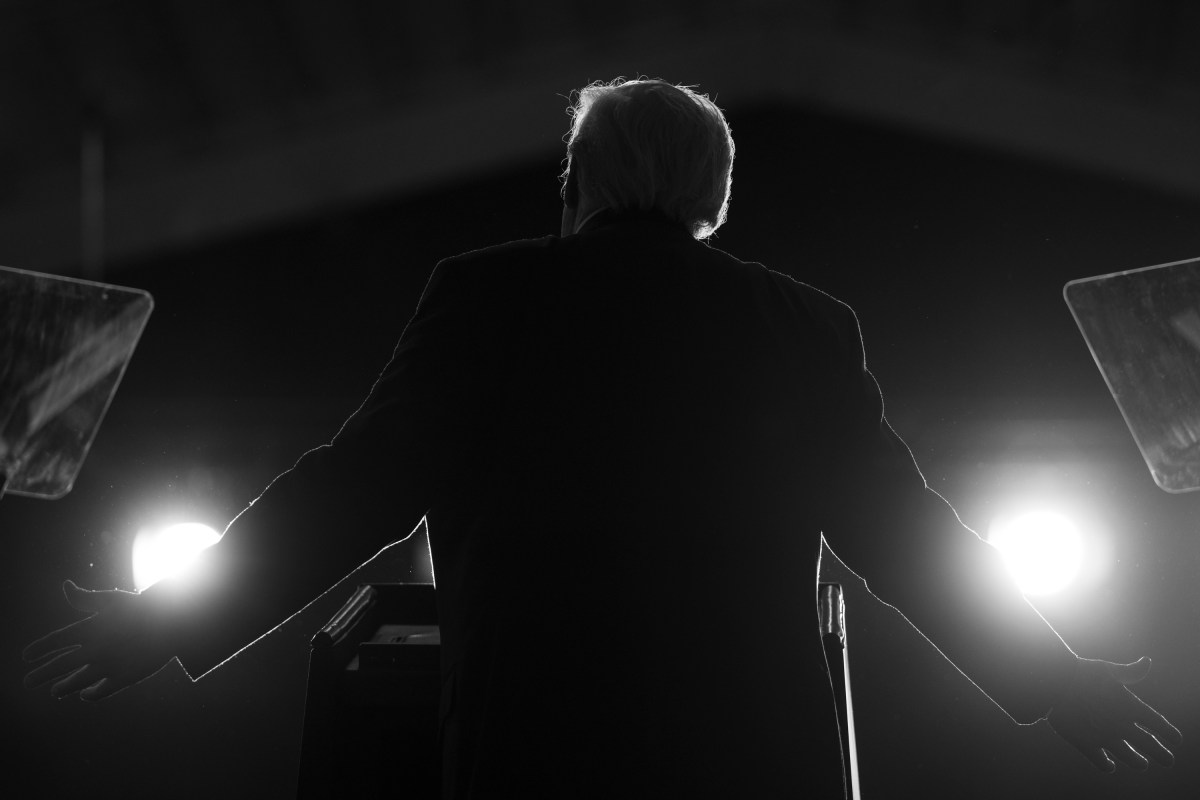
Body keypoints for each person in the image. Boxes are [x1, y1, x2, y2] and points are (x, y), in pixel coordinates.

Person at [24, 78, 1180, 798]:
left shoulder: (486, 298)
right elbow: (908, 534)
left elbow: (353, 487)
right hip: (752, 766)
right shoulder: (803, 324)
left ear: (575, 183)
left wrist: (164, 620)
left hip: (533, 757)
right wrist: (1057, 682)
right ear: (714, 196)